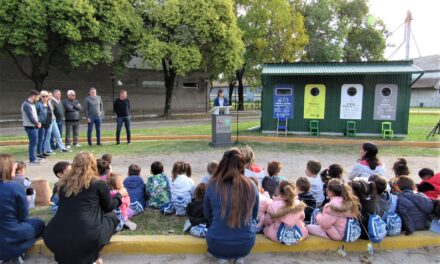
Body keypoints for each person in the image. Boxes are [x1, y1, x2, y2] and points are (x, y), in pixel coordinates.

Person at [43, 152, 121, 264]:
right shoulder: (98, 183)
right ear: (93, 164)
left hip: (54, 237)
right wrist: (119, 195)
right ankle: (93, 256)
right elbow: (108, 207)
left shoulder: (63, 184)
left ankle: (91, 256)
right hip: (87, 238)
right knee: (112, 216)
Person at [204, 148, 259, 263]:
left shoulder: (212, 185)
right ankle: (239, 257)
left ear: (222, 164)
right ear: (242, 165)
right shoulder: (252, 185)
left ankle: (222, 258)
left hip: (216, 243)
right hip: (246, 243)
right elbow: (254, 215)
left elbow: (207, 215)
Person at [0, 154, 45, 263]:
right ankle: (16, 251)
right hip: (11, 232)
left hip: (7, 231)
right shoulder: (14, 187)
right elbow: (23, 217)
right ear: (8, 168)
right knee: (39, 224)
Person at [21, 90, 42, 165]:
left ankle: (34, 157)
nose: (38, 99)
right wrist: (37, 123)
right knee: (33, 143)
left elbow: (34, 115)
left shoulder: (32, 104)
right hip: (30, 126)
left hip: (33, 126)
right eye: (37, 97)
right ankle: (32, 159)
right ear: (33, 96)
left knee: (34, 142)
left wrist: (37, 122)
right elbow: (30, 116)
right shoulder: (26, 105)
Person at [36, 90, 53, 159]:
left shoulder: (48, 103)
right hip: (41, 124)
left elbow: (50, 113)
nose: (45, 97)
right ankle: (39, 153)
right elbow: (35, 114)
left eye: (46, 96)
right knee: (41, 139)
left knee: (45, 138)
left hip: (47, 123)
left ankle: (43, 151)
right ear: (40, 97)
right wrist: (38, 121)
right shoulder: (38, 104)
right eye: (43, 96)